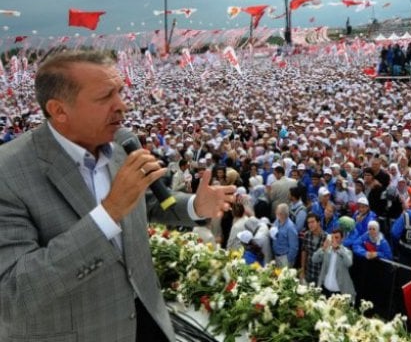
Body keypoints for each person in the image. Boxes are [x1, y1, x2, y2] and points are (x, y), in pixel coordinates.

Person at [0, 50, 233, 342]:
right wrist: (108, 213)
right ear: (59, 110)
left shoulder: (120, 144)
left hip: (145, 317)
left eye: (120, 92)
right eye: (104, 97)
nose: (122, 106)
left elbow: (144, 203)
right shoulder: (7, 174)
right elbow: (14, 293)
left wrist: (194, 206)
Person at [312, 228, 355, 299]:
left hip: (339, 291)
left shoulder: (347, 252)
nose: (334, 239)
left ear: (342, 239)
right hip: (324, 288)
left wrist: (338, 248)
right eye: (332, 237)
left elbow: (349, 263)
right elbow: (314, 259)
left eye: (337, 237)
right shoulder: (327, 250)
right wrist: (322, 248)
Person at [300, 212, 327, 285]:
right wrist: (302, 270)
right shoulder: (307, 235)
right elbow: (304, 252)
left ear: (318, 222)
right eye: (309, 223)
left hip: (321, 273)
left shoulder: (326, 237)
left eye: (312, 222)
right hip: (309, 271)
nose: (310, 225)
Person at [271, 203, 299, 268]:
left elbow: (294, 247)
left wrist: (288, 259)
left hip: (285, 258)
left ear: (282, 214)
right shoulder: (277, 221)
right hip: (276, 255)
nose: (275, 213)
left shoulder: (290, 227)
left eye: (277, 212)